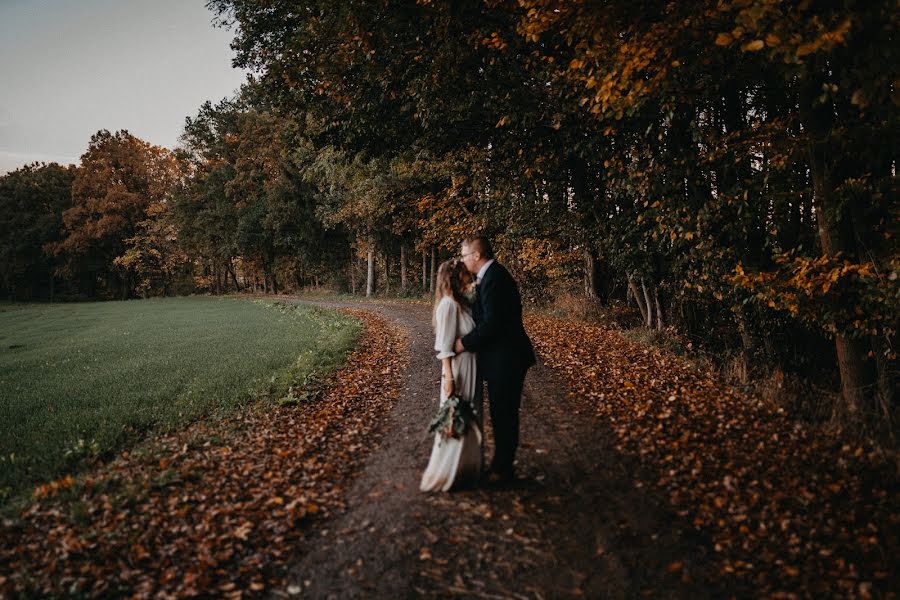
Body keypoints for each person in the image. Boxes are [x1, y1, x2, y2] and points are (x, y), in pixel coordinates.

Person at [455, 233, 535, 484]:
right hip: (503, 357)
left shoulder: (496, 279)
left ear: (477, 255)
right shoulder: (488, 277)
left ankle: (503, 470)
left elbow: (493, 325)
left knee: (504, 413)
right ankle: (501, 466)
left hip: (508, 358)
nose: (463, 260)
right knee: (501, 412)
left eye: (465, 255)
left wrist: (463, 343)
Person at [420, 259, 483, 492]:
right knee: (457, 418)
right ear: (456, 277)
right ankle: (448, 470)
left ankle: (467, 467)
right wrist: (449, 378)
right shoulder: (448, 305)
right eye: (465, 273)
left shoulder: (462, 303)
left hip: (471, 366)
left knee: (471, 416)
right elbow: (444, 347)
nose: (470, 276)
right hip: (458, 369)